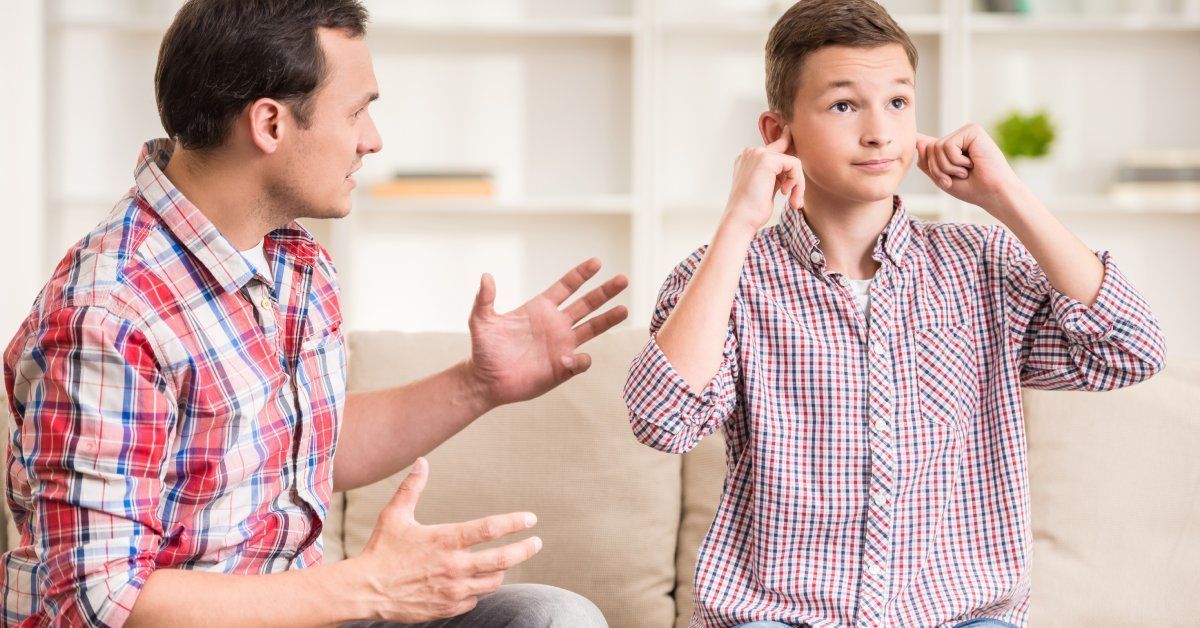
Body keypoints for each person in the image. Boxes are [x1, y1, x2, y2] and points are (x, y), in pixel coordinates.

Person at [2, 1, 622, 626]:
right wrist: (372, 588)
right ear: (269, 123)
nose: (372, 139)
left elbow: (299, 447)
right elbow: (100, 601)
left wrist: (478, 384)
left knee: (549, 617)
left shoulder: (295, 262)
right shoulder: (109, 311)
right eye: (357, 111)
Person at [623, 1, 1166, 626]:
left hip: (959, 616)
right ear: (778, 132)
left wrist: (1008, 197)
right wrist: (739, 222)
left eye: (899, 103)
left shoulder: (981, 264)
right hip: (778, 616)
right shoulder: (724, 277)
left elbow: (1129, 352)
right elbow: (663, 422)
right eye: (844, 105)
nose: (880, 131)